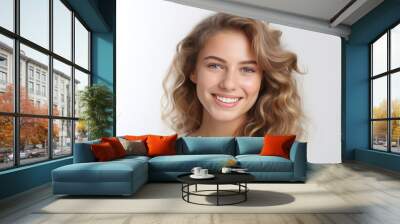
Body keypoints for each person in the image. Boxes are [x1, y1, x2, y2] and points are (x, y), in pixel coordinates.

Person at [162, 13, 305, 138]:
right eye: (215, 66)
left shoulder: (279, 163)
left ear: (263, 79)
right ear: (193, 71)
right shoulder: (166, 158)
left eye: (247, 69)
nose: (228, 84)